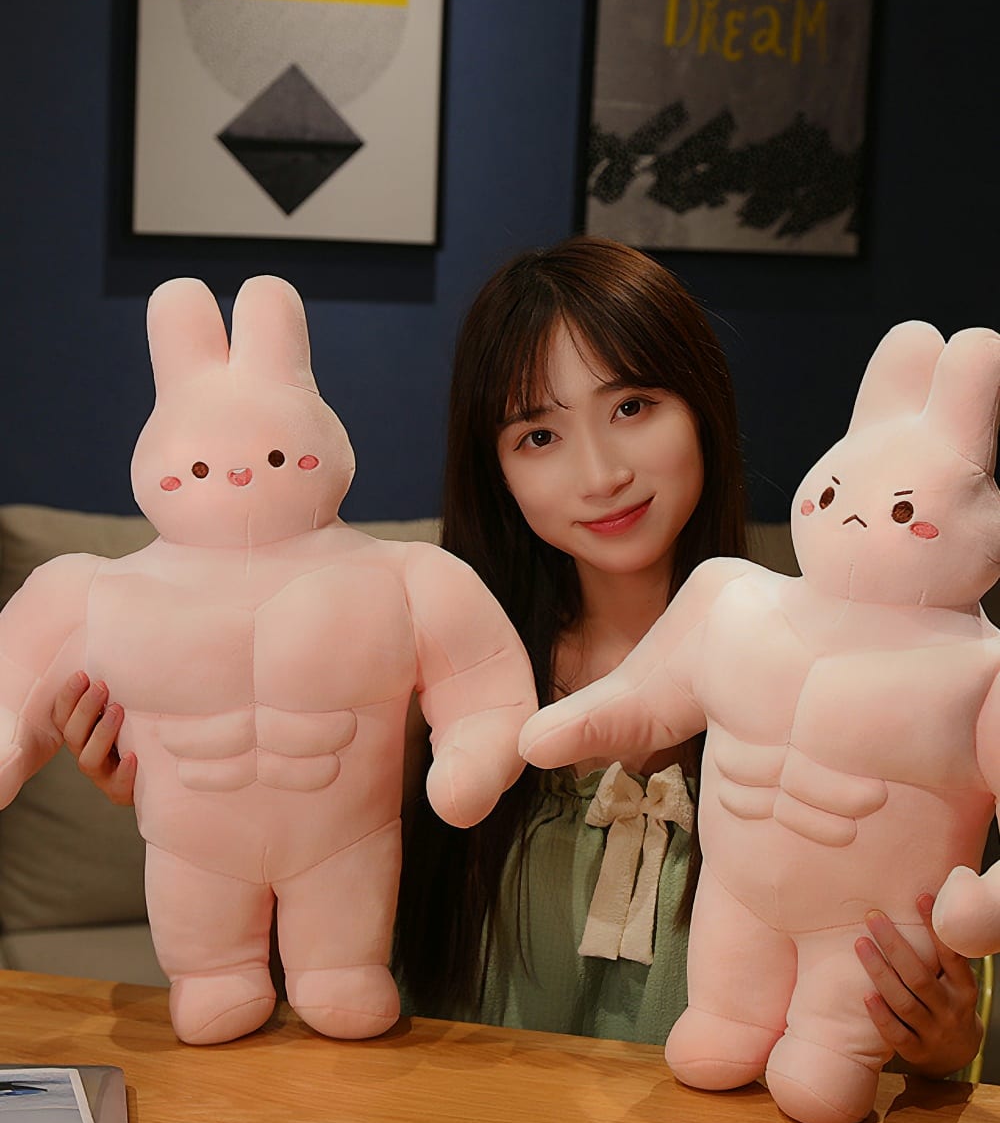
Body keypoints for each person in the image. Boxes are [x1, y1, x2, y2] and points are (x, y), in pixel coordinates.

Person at [54, 236, 982, 1075]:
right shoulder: (432, 667)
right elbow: (303, 929)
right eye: (538, 434)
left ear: (702, 406)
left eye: (634, 405)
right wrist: (188, 785)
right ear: (494, 466)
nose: (600, 472)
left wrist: (942, 1040)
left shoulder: (858, 675)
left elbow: (937, 993)